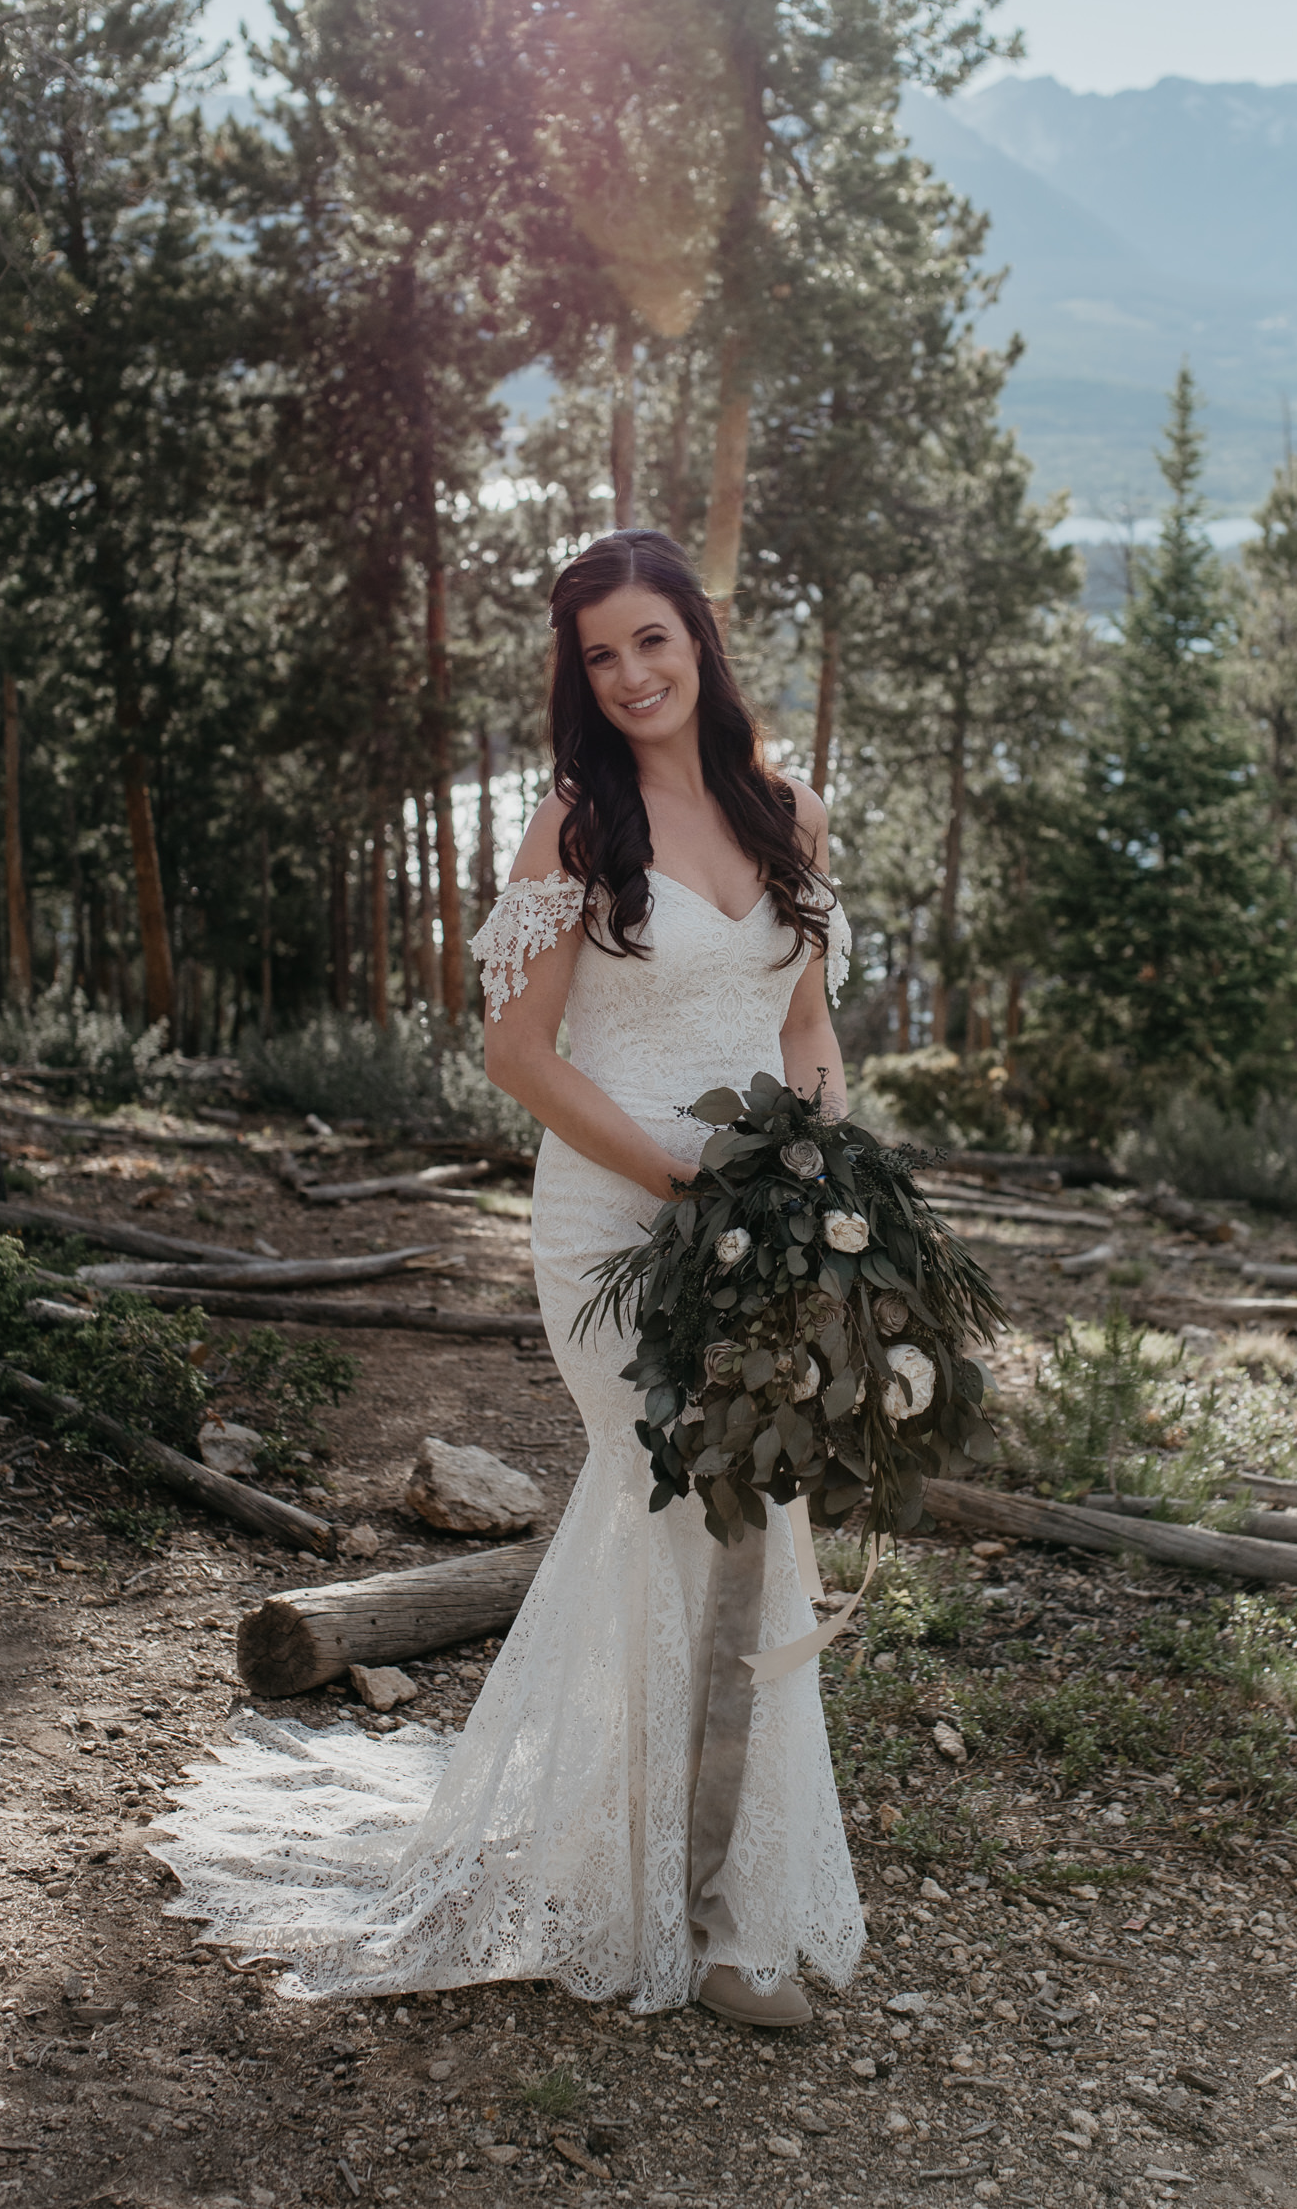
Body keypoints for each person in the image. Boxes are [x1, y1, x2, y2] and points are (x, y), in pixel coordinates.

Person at [150, 529, 864, 2027]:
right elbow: (515, 1055)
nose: (629, 676)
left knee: (757, 1524)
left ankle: (726, 1901)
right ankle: (680, 1913)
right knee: (679, 1510)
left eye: (650, 641)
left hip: (768, 1211)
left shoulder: (785, 808)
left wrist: (818, 1170)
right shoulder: (571, 829)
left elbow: (805, 1024)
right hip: (617, 1223)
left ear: (700, 638)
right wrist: (685, 1182)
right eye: (599, 656)